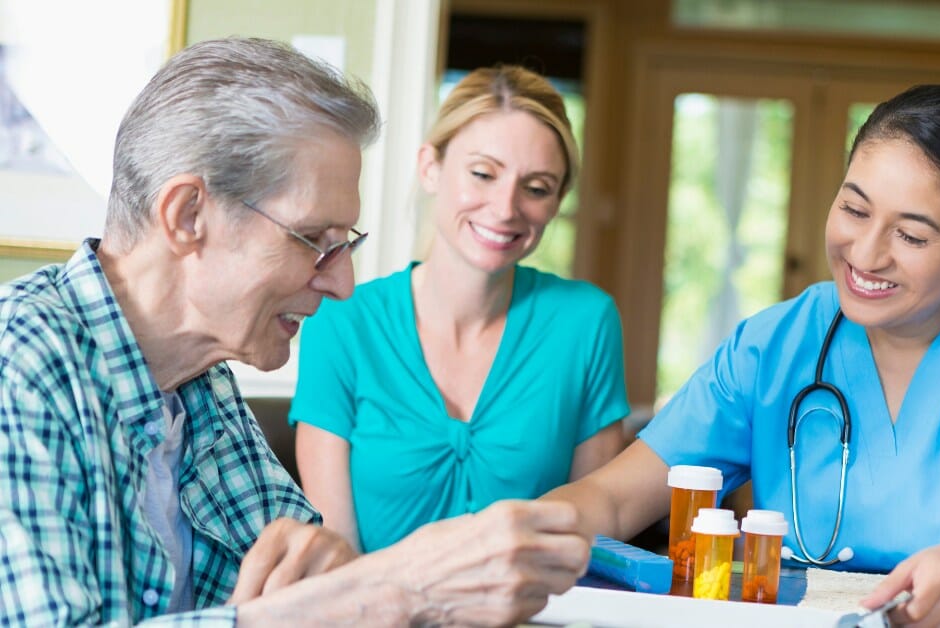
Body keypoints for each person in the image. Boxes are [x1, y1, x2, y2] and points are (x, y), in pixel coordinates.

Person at [0, 37, 588, 626]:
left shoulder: (201, 383)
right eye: (315, 241)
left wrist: (337, 574)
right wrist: (381, 591)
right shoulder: (20, 359)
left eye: (346, 245)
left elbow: (321, 573)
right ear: (187, 216)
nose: (343, 285)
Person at [542, 84, 940, 625]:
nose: (866, 254)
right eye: (855, 209)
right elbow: (614, 498)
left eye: (912, 236)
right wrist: (516, 530)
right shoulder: (773, 344)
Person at [289, 65, 629, 552]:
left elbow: (589, 544)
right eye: (483, 174)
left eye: (536, 188)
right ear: (430, 167)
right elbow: (335, 551)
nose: (506, 207)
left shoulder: (587, 324)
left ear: (557, 202)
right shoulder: (341, 320)